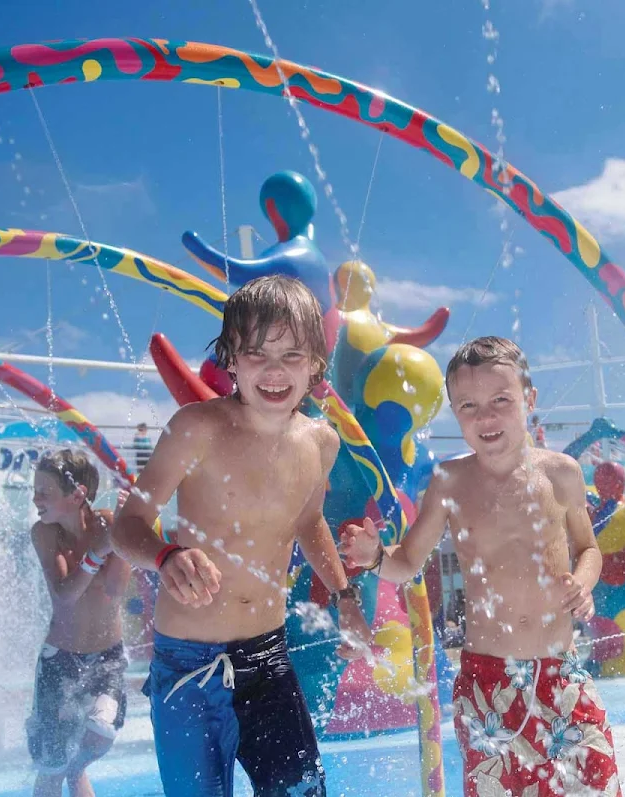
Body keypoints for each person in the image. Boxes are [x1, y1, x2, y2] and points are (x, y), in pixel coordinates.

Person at [111, 275, 370, 797]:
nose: (274, 372)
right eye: (257, 354)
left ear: (316, 363)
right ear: (231, 357)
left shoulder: (321, 442)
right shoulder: (196, 428)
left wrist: (346, 596)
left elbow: (308, 522)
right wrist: (164, 555)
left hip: (267, 660)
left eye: (292, 355)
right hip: (187, 667)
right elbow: (126, 526)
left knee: (302, 792)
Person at [340, 336, 622, 797]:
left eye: (501, 401)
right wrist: (374, 557)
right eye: (468, 406)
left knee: (596, 786)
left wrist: (584, 583)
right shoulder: (451, 482)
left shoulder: (562, 473)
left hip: (561, 674)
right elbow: (407, 562)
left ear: (528, 400)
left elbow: (589, 548)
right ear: (453, 410)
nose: (486, 417)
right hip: (486, 685)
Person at [27, 449, 131, 797]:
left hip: (108, 658)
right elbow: (64, 595)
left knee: (101, 732)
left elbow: (116, 588)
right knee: (52, 767)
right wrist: (96, 554)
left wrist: (120, 539)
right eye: (35, 489)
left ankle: (76, 768)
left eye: (44, 491)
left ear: (77, 494)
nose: (35, 497)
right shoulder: (45, 534)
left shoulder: (107, 524)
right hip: (61, 659)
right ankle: (64, 771)